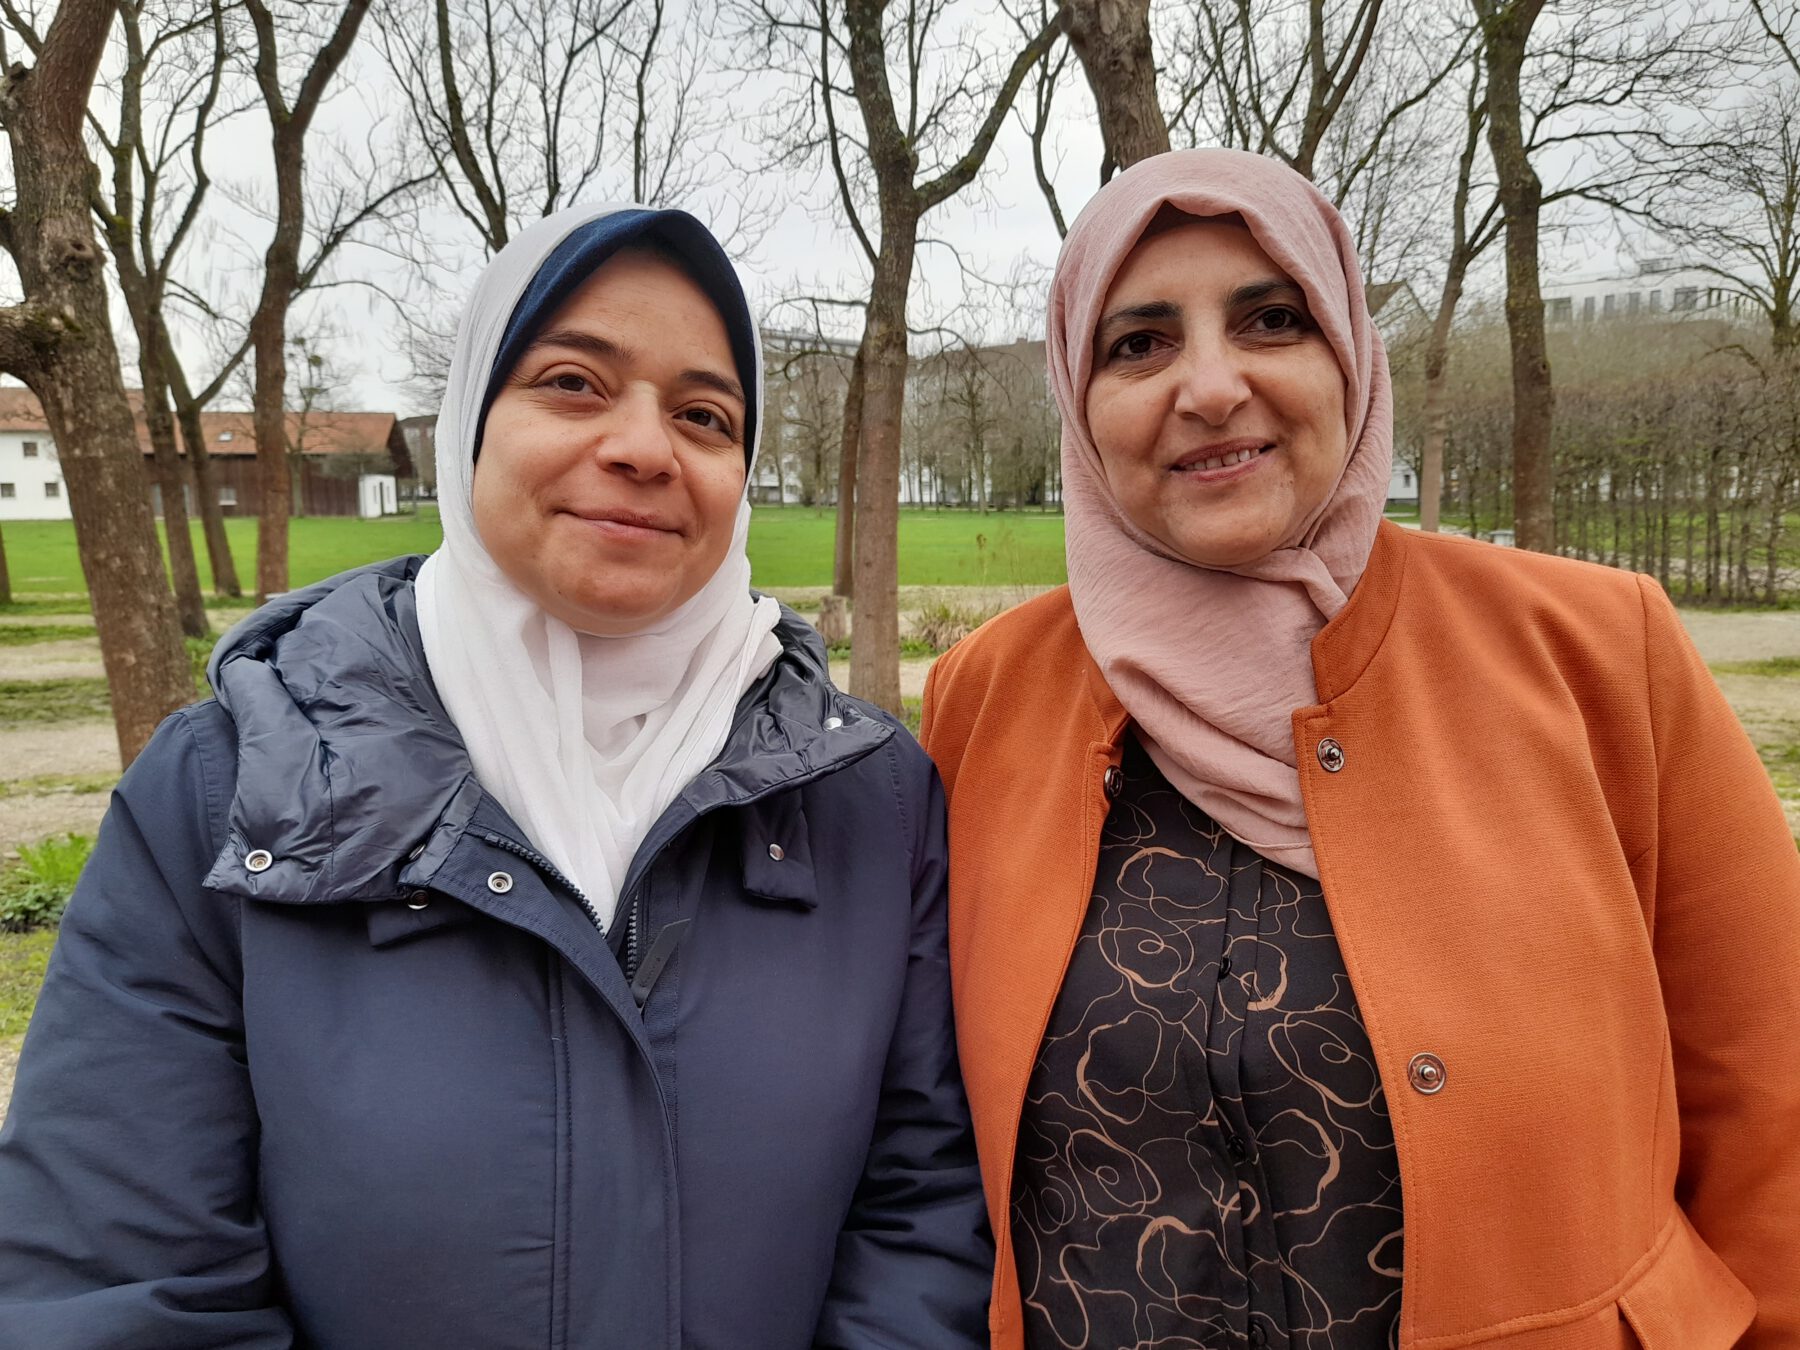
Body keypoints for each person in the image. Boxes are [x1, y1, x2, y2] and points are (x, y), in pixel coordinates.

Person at [0, 204, 990, 1348]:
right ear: (471, 420)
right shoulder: (229, 796)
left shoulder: (870, 803)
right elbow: (121, 1283)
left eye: (704, 415)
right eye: (573, 383)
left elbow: (922, 1221)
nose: (644, 447)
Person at [920, 149, 1800, 1350]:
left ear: (1348, 351)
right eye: (1140, 343)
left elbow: (1774, 1110)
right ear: (1080, 402)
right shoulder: (984, 699)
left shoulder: (1598, 653)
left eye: (1270, 320)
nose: (1211, 386)